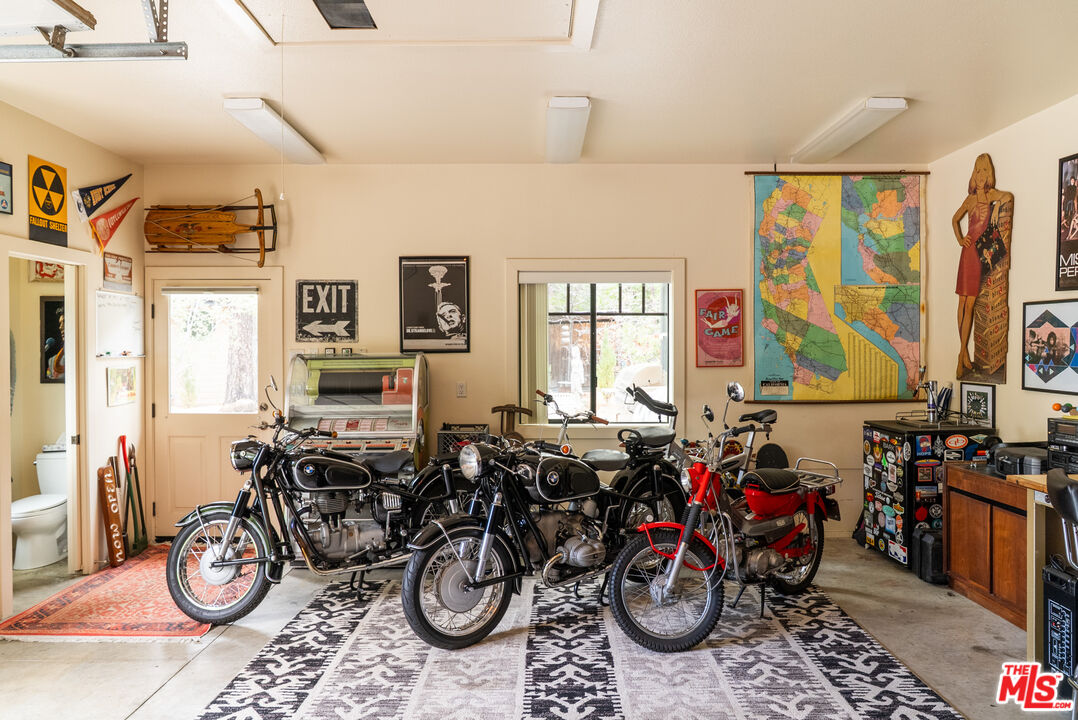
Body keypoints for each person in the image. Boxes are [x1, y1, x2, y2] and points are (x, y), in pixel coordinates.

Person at [952, 153, 1014, 377]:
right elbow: (954, 219)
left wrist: (996, 208)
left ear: (989, 174)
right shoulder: (969, 199)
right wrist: (960, 239)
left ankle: (961, 356)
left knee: (970, 305)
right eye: (978, 171)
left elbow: (1007, 196)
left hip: (979, 254)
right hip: (966, 252)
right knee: (960, 303)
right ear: (974, 174)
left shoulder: (990, 195)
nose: (980, 176)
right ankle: (964, 354)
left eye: (984, 171)